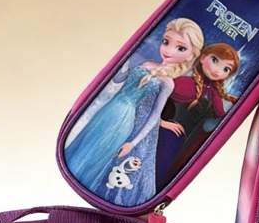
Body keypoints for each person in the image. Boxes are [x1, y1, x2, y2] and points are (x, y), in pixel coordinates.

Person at [64, 17, 204, 206]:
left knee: (100, 153)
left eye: (180, 48)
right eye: (166, 42)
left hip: (123, 119)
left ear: (190, 55)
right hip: (108, 110)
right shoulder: (146, 64)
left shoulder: (168, 82)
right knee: (87, 144)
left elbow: (154, 115)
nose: (169, 50)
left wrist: (132, 143)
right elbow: (118, 82)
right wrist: (123, 64)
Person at [155, 42, 239, 185]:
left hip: (181, 143)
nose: (217, 70)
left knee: (162, 171)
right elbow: (152, 100)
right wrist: (161, 122)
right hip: (163, 134)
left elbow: (217, 117)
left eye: (226, 69)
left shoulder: (214, 94)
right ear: (202, 57)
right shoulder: (183, 82)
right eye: (214, 60)